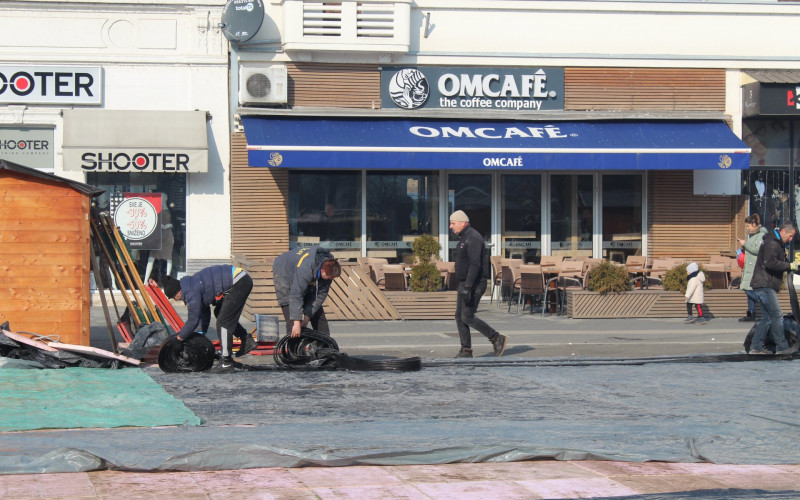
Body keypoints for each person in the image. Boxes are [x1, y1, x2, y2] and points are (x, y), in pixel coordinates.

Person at [162, 265, 256, 372]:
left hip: (239, 282)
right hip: (239, 279)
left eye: (173, 297)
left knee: (223, 322)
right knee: (219, 312)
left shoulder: (191, 292)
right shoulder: (189, 285)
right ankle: (246, 339)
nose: (176, 300)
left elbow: (193, 319)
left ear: (177, 292)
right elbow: (204, 314)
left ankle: (226, 362)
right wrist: (200, 335)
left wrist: (180, 339)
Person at [449, 210, 508, 358]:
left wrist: (468, 287)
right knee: (459, 316)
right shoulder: (464, 237)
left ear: (462, 223)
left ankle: (496, 337)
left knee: (467, 316)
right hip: (465, 283)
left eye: (453, 223)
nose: (451, 226)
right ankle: (466, 350)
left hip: (474, 284)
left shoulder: (473, 238)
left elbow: (475, 264)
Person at [749, 220, 799, 355]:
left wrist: (791, 265)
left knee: (767, 317)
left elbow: (779, 261)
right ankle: (782, 347)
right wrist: (789, 266)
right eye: (790, 235)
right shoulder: (772, 243)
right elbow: (770, 262)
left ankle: (756, 347)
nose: (791, 239)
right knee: (777, 315)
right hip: (765, 284)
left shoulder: (778, 243)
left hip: (764, 284)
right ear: (783, 231)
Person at [273, 246, 342, 338]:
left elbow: (319, 296)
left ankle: (325, 346)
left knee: (318, 312)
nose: (331, 280)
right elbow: (296, 295)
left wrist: (306, 319)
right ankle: (293, 348)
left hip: (302, 270)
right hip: (284, 269)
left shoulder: (328, 269)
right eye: (329, 277)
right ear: (322, 270)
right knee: (291, 314)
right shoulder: (307, 268)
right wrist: (297, 323)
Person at [737, 214, 767, 322]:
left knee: (748, 289)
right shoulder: (754, 235)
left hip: (755, 268)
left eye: (748, 226)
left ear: (754, 225)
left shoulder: (761, 235)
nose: (747, 228)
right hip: (750, 268)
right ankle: (751, 314)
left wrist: (745, 244)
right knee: (749, 291)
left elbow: (758, 250)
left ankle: (766, 307)